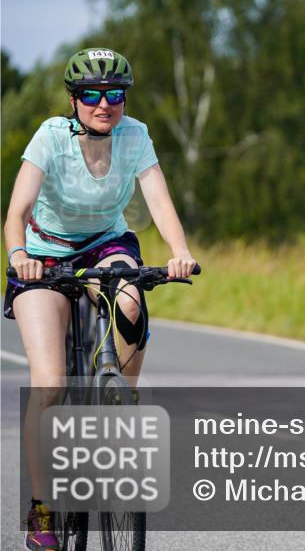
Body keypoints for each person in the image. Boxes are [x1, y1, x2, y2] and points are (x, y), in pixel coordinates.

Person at [4, 48, 198, 551]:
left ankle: (119, 398)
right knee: (48, 385)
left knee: (130, 297)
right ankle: (42, 508)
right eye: (92, 95)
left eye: (115, 95)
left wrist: (179, 252)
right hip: (43, 253)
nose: (104, 104)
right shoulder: (50, 136)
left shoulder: (135, 135)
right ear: (74, 100)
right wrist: (20, 252)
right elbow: (17, 210)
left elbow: (159, 200)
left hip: (106, 244)